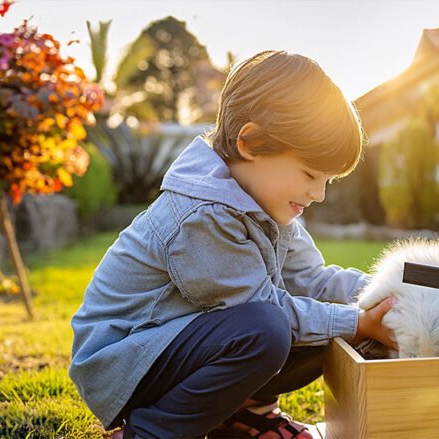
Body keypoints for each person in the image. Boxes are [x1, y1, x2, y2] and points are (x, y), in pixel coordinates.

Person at [69, 50, 396, 439]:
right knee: (270, 327)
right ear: (251, 142)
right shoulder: (201, 215)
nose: (319, 194)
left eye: (327, 180)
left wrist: (389, 292)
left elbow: (313, 279)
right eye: (310, 173)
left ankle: (246, 418)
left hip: (177, 349)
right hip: (124, 363)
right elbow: (264, 311)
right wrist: (358, 322)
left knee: (310, 324)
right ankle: (149, 432)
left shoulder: (271, 208)